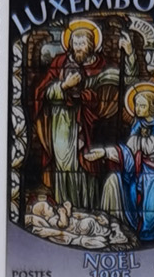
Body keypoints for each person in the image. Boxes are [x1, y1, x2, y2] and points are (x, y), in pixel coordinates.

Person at [30, 17, 120, 216]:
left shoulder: (104, 65)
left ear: (91, 45)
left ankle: (88, 210)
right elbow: (42, 93)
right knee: (64, 165)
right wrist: (64, 86)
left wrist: (89, 96)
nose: (77, 47)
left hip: (90, 125)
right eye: (75, 43)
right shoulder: (60, 62)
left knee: (89, 165)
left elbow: (112, 94)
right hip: (62, 123)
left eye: (81, 43)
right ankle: (65, 208)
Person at [84, 81, 154, 244]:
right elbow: (128, 152)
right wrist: (104, 152)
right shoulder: (138, 126)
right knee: (113, 181)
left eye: (141, 106)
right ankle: (118, 229)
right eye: (136, 105)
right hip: (139, 172)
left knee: (151, 213)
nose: (136, 109)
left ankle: (149, 238)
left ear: (152, 107)